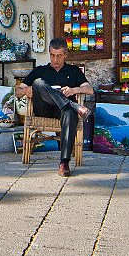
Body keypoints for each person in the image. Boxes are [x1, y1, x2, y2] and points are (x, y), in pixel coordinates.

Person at [16, 38, 94, 177]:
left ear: (65, 55)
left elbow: (89, 90)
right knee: (39, 83)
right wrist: (26, 90)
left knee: (70, 114)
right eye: (52, 55)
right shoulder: (40, 70)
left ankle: (64, 163)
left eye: (59, 56)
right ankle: (75, 106)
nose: (55, 59)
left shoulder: (73, 71)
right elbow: (18, 91)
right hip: (43, 109)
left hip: (62, 112)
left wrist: (74, 90)